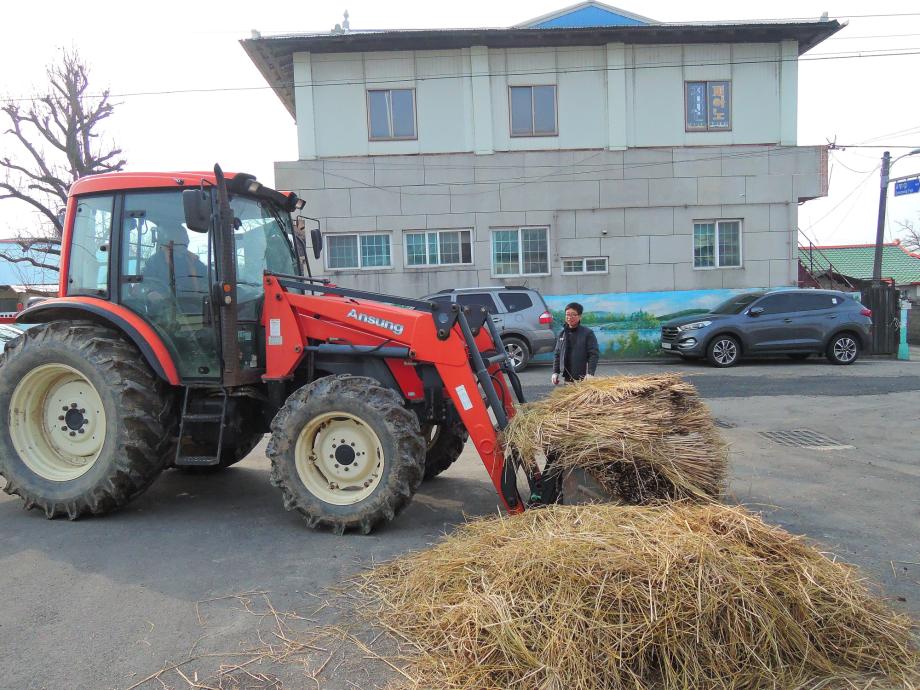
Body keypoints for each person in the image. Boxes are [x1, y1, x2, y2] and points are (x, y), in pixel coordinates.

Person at [143, 222, 209, 313]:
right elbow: (145, 284)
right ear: (169, 240)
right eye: (180, 238)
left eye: (185, 238)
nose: (185, 241)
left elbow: (207, 280)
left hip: (194, 308)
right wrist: (149, 293)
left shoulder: (194, 262)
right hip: (163, 311)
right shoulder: (154, 262)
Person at [551, 302, 599, 384]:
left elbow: (593, 354)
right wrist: (555, 372)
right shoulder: (562, 334)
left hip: (583, 379)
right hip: (566, 377)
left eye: (573, 314)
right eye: (567, 314)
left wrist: (590, 373)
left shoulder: (587, 333)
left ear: (580, 316)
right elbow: (557, 354)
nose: (570, 317)